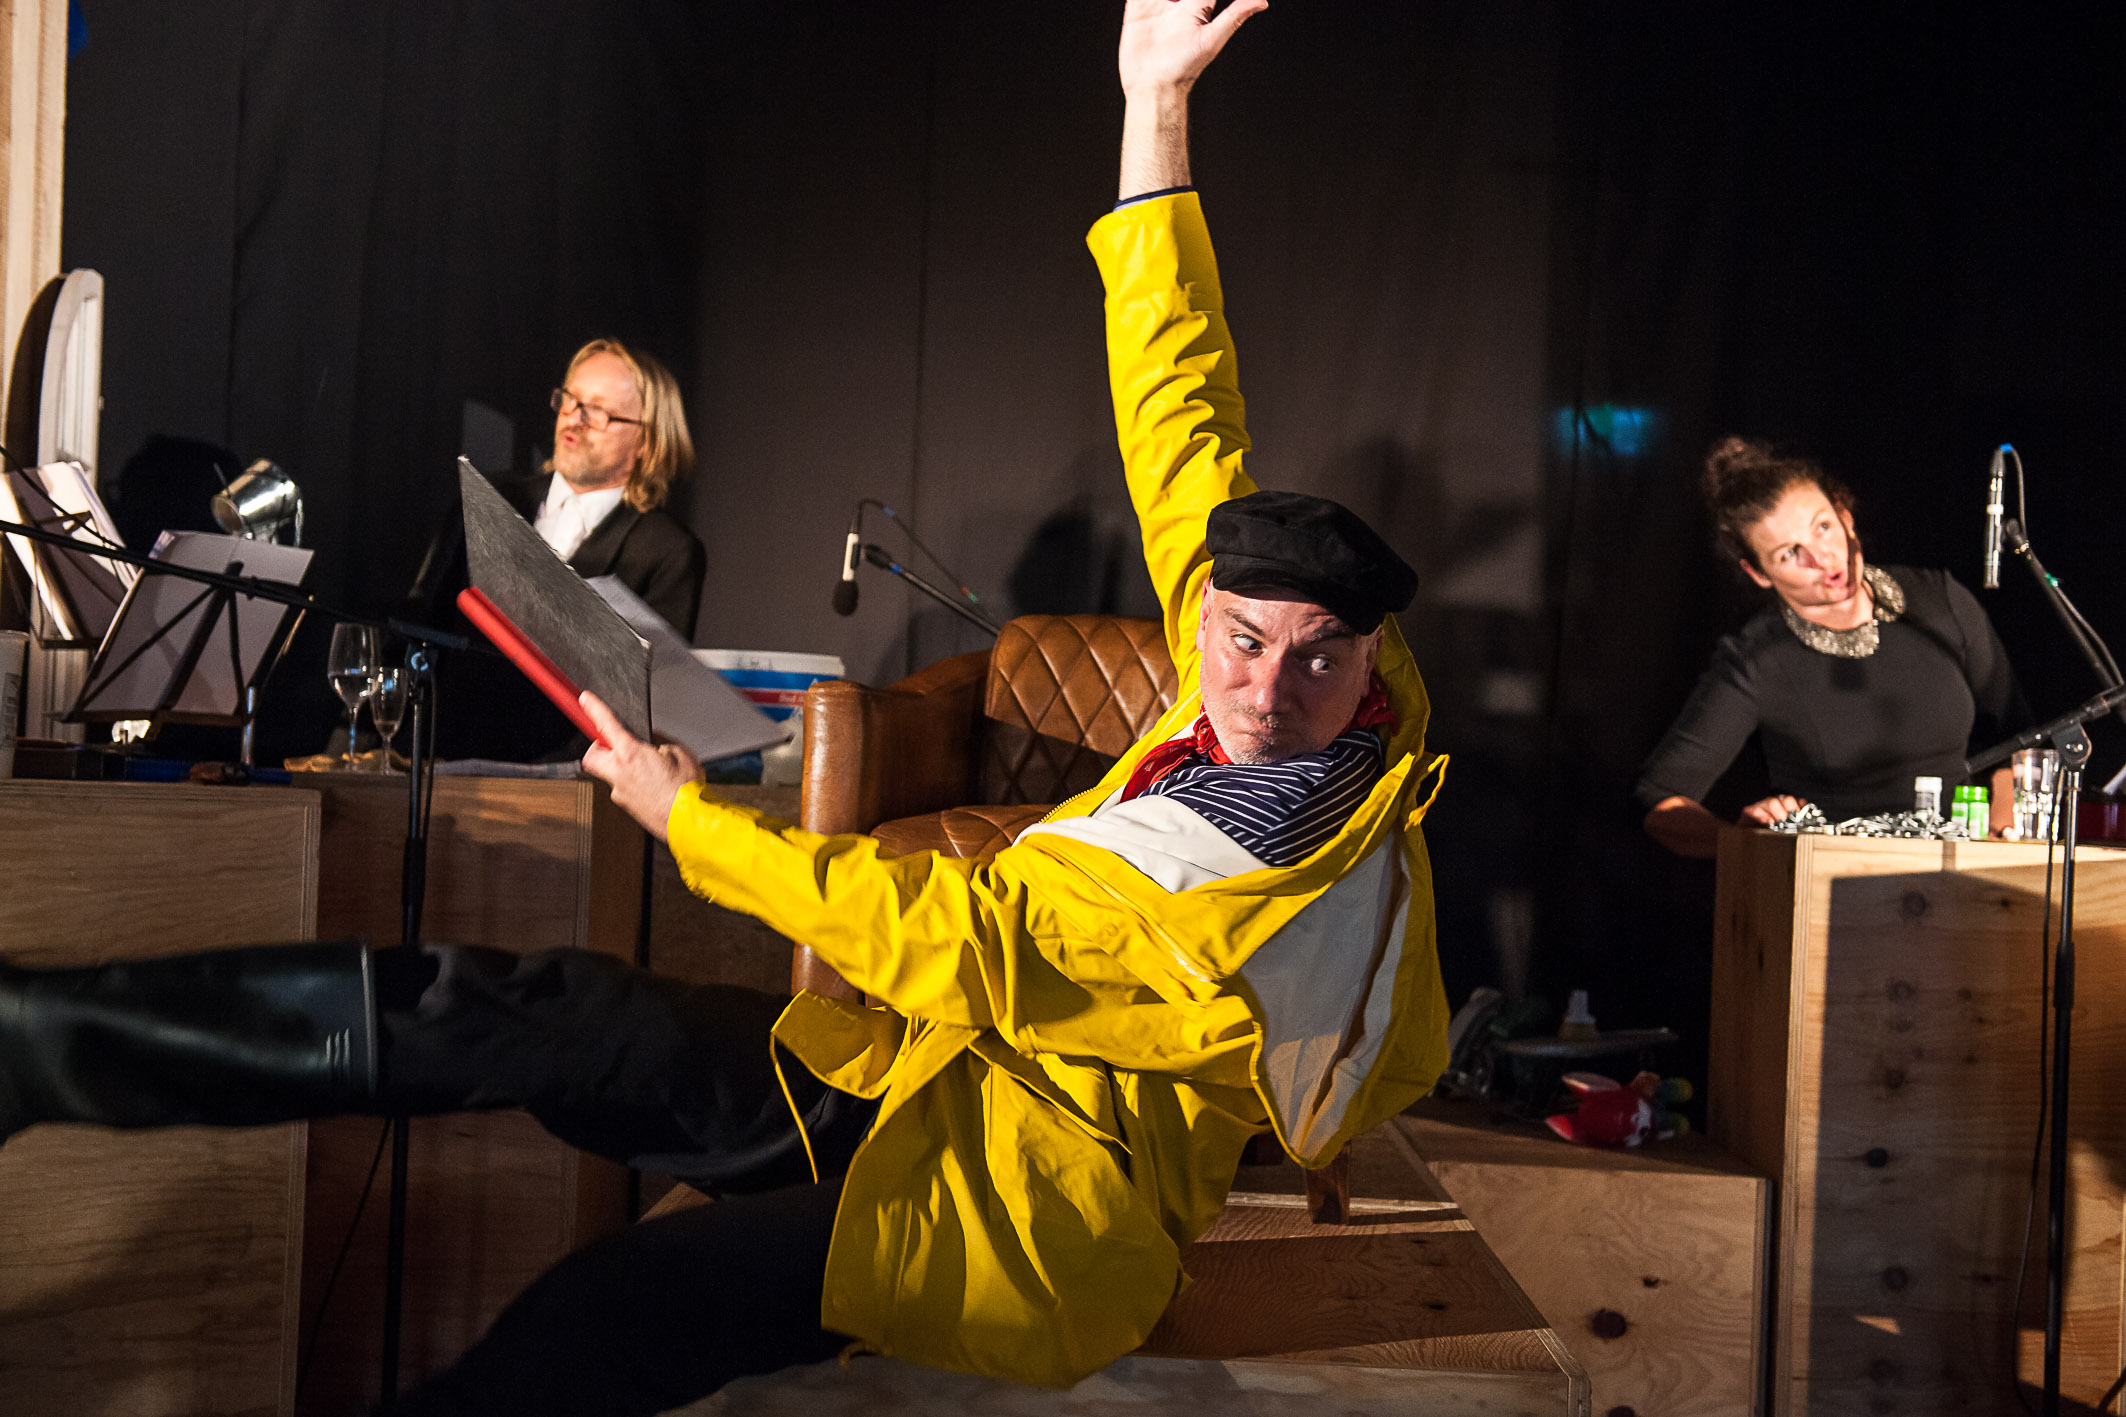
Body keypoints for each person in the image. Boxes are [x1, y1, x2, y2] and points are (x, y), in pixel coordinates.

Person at [0, 3, 1449, 1411]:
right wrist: (1153, 105)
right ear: (1204, 610)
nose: (1265, 690)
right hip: (909, 1083)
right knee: (541, 1013)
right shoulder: (1255, 639)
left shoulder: (1267, 878)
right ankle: (38, 1042)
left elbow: (951, 933)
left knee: (616, 1307)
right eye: (1243, 640)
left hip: (1015, 1212)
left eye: (1317, 660)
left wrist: (688, 820)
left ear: (1371, 659)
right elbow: (1175, 394)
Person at [1637, 436, 2026, 858]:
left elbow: (2019, 739)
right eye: (1790, 553)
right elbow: (1659, 799)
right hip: (1840, 881)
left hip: (1963, 869)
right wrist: (1746, 844)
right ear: (1758, 573)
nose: (1821, 560)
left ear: (1845, 515)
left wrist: (2000, 843)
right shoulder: (1758, 658)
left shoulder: (1939, 601)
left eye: (1822, 528)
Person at [408, 337, 708, 759]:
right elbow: (422, 624)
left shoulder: (667, 550)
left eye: (599, 411)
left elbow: (646, 702)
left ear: (648, 441)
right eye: (571, 400)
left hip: (569, 777)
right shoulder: (487, 497)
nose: (575, 419)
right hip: (442, 762)